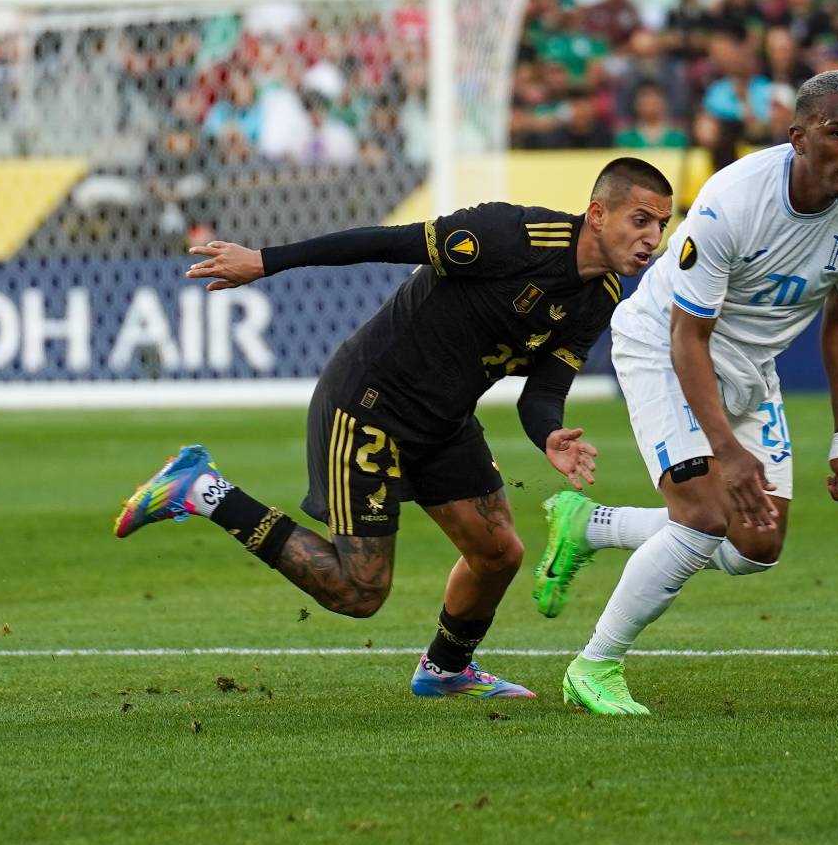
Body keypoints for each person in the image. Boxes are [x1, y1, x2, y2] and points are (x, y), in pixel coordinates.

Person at [112, 159, 676, 700]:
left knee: (499, 553)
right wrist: (265, 260)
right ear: (598, 215)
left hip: (444, 422)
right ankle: (203, 491)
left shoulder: (599, 297)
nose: (652, 238)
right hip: (369, 406)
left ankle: (447, 669)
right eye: (641, 220)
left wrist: (548, 434)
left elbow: (544, 391)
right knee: (359, 591)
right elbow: (386, 241)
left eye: (662, 225)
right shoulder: (513, 235)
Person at [534, 72, 838, 715]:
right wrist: (727, 452)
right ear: (799, 139)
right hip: (664, 347)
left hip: (751, 366)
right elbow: (687, 336)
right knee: (702, 515)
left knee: (757, 546)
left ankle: (588, 525)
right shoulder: (732, 200)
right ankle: (595, 665)